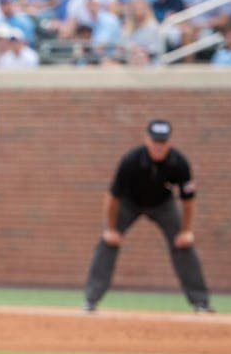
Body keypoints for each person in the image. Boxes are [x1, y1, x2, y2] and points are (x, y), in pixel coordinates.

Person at [83, 120, 213, 314]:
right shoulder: (131, 160)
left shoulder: (179, 162)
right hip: (129, 203)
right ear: (146, 140)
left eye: (163, 142)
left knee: (183, 245)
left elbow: (188, 200)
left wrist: (186, 231)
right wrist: (110, 229)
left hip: (163, 205)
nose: (158, 146)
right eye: (155, 141)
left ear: (169, 143)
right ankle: (90, 301)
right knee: (107, 243)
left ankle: (201, 302)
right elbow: (112, 197)